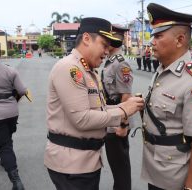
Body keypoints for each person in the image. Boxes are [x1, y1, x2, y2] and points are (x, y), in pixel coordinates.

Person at [44, 17, 144, 190]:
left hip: (84, 161)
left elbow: (99, 109)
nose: (107, 51)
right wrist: (122, 111)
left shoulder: (88, 70)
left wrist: (125, 108)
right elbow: (82, 118)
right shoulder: (70, 68)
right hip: (72, 164)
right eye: (104, 45)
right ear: (87, 39)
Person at [140, 3, 192, 190]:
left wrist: (190, 187)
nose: (152, 42)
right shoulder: (162, 70)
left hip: (177, 178)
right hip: (157, 170)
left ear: (180, 39)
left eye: (158, 36)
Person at [101, 24, 132, 190]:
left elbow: (126, 96)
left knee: (120, 165)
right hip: (111, 116)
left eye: (108, 39)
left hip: (117, 119)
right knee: (115, 162)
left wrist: (122, 124)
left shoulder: (121, 64)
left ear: (114, 42)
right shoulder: (111, 62)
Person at [0, 41, 26, 190]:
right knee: (6, 138)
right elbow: (22, 91)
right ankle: (5, 159)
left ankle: (16, 181)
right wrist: (12, 102)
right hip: (11, 112)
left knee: (4, 146)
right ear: (0, 54)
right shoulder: (11, 71)